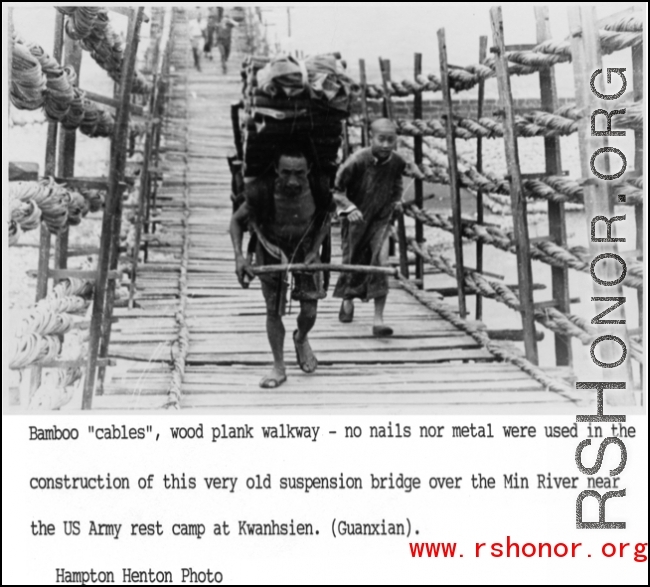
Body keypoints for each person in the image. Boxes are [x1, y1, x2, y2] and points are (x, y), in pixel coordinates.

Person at [229, 148, 334, 389]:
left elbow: (327, 217)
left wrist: (314, 250)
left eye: (299, 173)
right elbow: (236, 220)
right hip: (271, 249)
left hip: (306, 249)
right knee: (273, 309)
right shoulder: (262, 191)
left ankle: (302, 337)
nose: (292, 180)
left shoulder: (318, 188)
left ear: (308, 170)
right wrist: (239, 257)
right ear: (276, 170)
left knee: (309, 312)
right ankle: (279, 366)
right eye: (286, 173)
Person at [332, 118, 407, 337]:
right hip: (356, 221)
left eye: (390, 140)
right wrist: (349, 208)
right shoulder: (356, 161)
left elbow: (396, 184)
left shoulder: (397, 163)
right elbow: (336, 191)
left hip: (381, 221)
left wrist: (397, 201)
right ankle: (347, 300)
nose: (385, 145)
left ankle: (378, 319)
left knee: (380, 263)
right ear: (370, 138)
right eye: (380, 139)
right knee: (353, 261)